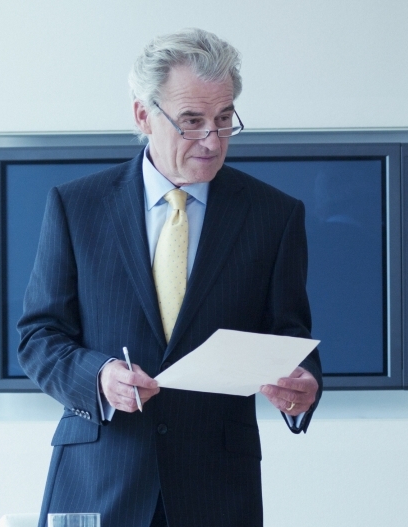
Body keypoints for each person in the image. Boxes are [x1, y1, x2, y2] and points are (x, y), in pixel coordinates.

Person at [16, 28, 322, 527]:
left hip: (218, 489)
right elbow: (38, 337)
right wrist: (99, 376)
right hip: (99, 480)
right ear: (143, 115)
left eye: (225, 120)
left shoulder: (274, 216)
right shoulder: (77, 207)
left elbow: (290, 334)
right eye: (192, 121)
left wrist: (304, 382)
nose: (212, 139)